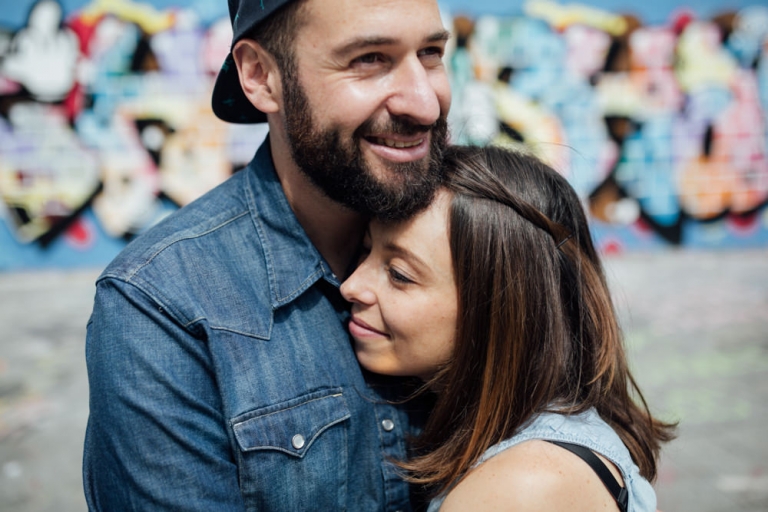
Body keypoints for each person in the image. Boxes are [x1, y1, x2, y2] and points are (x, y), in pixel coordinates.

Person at [82, 0, 451, 509]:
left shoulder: (481, 233)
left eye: (431, 53)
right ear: (260, 76)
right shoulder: (161, 305)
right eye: (369, 58)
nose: (425, 103)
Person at [340, 145, 677, 512]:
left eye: (400, 274)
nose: (352, 286)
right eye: (365, 250)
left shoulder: (521, 488)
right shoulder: (545, 443)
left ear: (499, 308)